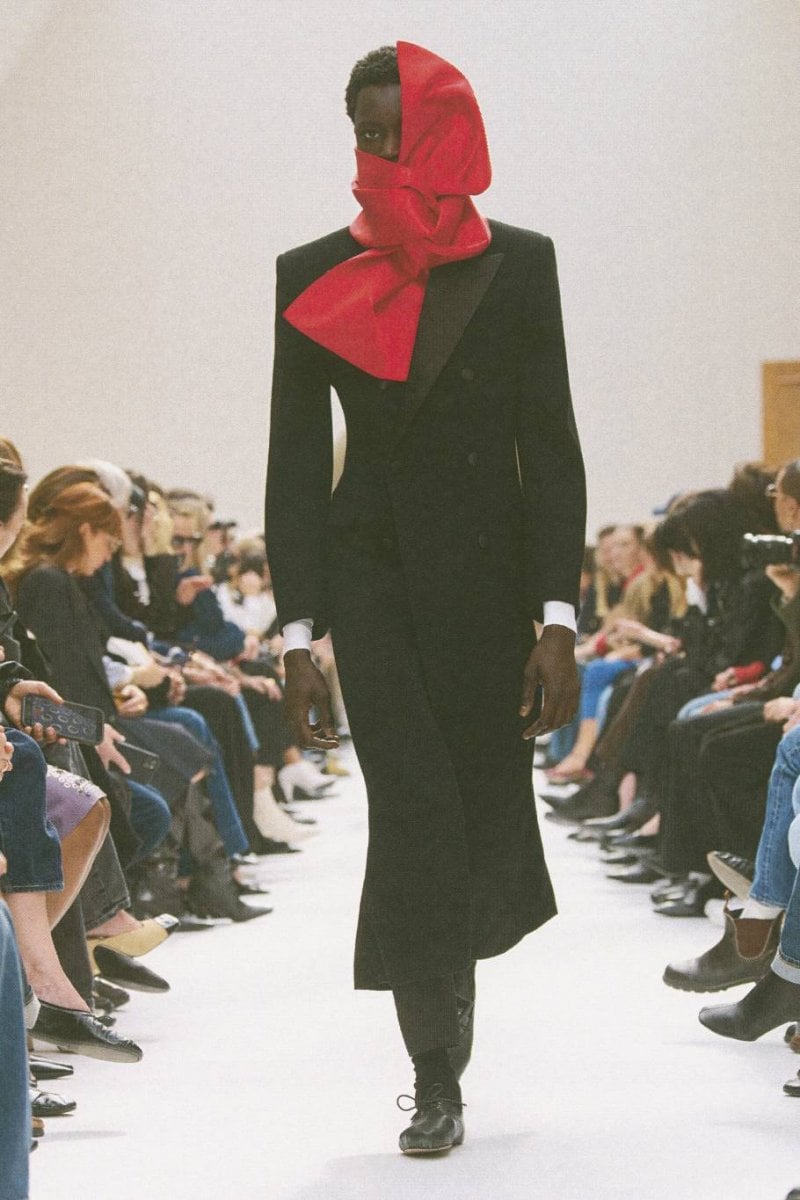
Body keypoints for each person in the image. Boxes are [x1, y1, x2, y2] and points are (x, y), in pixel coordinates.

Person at [266, 41, 585, 1154]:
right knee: (412, 812)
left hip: (490, 592)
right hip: (375, 580)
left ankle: (449, 1009)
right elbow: (294, 465)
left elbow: (549, 445)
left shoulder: (521, 264)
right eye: (361, 131)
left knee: (478, 806)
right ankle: (434, 1069)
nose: (376, 148)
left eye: (393, 130)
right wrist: (296, 634)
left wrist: (557, 617)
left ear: (445, 131)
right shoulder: (309, 271)